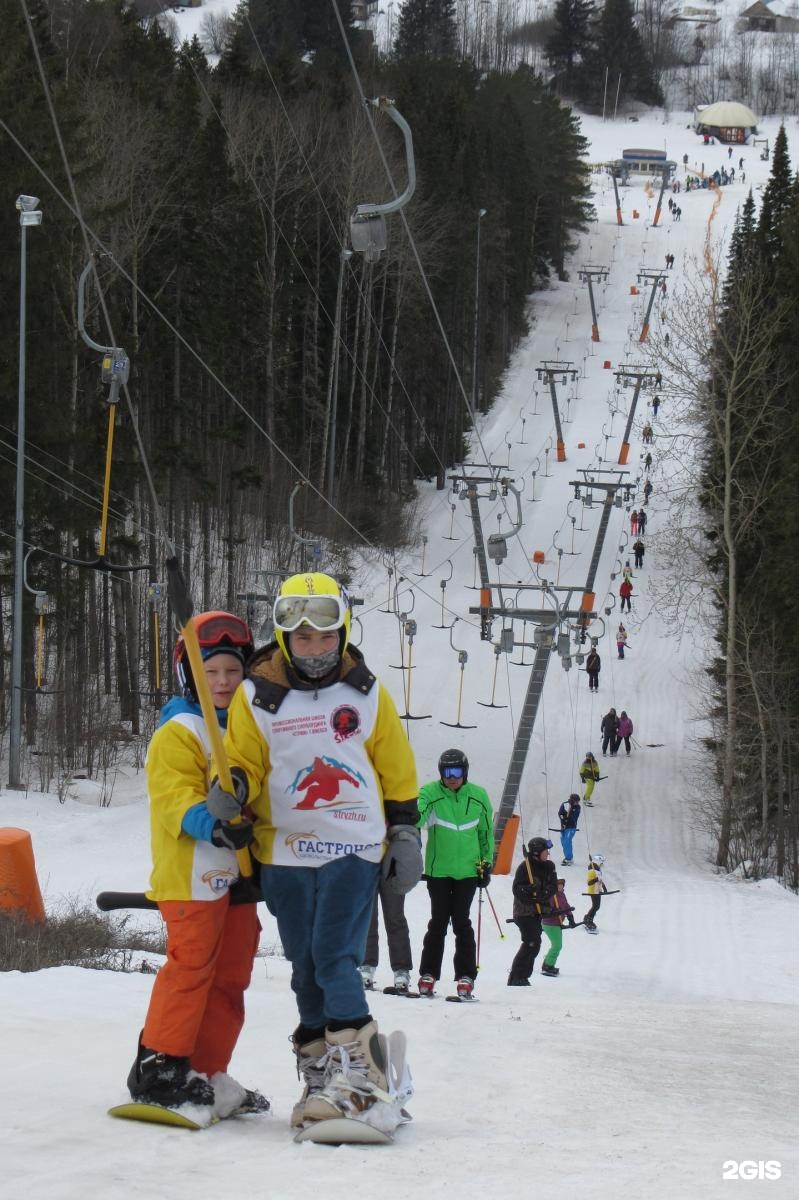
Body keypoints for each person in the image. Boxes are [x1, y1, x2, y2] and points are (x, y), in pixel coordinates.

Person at [221, 572, 420, 1132]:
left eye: (325, 637)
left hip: (353, 840)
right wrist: (233, 784)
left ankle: (365, 1073)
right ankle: (321, 1068)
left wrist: (404, 829)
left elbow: (394, 763)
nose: (314, 649)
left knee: (334, 954)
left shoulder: (365, 691)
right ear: (285, 638)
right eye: (302, 638)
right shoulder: (256, 696)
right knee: (303, 966)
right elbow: (245, 758)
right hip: (284, 846)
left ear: (343, 631)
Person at [127, 611, 268, 1117]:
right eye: (211, 673)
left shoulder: (250, 728)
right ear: (192, 675)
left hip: (242, 875)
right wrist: (213, 824)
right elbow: (172, 798)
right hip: (191, 874)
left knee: (232, 973)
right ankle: (161, 1067)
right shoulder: (181, 728)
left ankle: (207, 1070)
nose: (224, 682)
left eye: (232, 671)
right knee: (191, 968)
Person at [417, 749, 494, 1001]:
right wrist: (413, 803)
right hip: (439, 871)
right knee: (437, 922)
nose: (452, 778)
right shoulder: (431, 793)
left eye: (457, 772)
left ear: (465, 772)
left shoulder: (478, 796)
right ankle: (428, 974)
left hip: (468, 872)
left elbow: (485, 834)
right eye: (447, 773)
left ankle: (466, 976)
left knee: (462, 922)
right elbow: (417, 818)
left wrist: (486, 864)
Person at [507, 837, 558, 985]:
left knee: (535, 943)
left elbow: (553, 885)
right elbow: (516, 889)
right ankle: (517, 976)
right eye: (545, 851)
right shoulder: (525, 867)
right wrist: (528, 891)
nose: (548, 853)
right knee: (531, 942)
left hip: (537, 911)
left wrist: (545, 893)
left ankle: (521, 976)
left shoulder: (549, 866)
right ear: (537, 852)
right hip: (524, 912)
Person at [360, 879, 413, 995]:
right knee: (367, 917)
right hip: (367, 864)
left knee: (395, 917)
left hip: (392, 867)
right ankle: (366, 965)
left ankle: (401, 969)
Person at [541, 878, 577, 975]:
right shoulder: (551, 895)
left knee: (557, 945)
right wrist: (553, 911)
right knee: (557, 945)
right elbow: (545, 909)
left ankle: (548, 963)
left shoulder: (562, 895)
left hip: (557, 924)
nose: (560, 886)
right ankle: (547, 966)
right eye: (558, 884)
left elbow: (566, 906)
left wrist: (571, 918)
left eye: (562, 884)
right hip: (550, 923)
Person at [584, 854, 608, 933]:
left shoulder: (598, 873)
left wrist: (604, 889)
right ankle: (589, 919)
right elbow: (589, 883)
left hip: (597, 891)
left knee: (597, 907)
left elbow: (600, 881)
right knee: (595, 906)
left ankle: (588, 918)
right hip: (593, 891)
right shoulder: (591, 873)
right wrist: (596, 879)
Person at [558, 793, 581, 865]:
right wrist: (563, 819)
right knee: (563, 842)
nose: (577, 803)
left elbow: (574, 816)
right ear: (572, 800)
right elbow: (560, 813)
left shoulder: (577, 807)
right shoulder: (564, 804)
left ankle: (569, 859)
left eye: (578, 801)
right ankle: (567, 857)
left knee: (567, 841)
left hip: (571, 827)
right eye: (576, 801)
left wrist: (568, 817)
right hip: (563, 827)